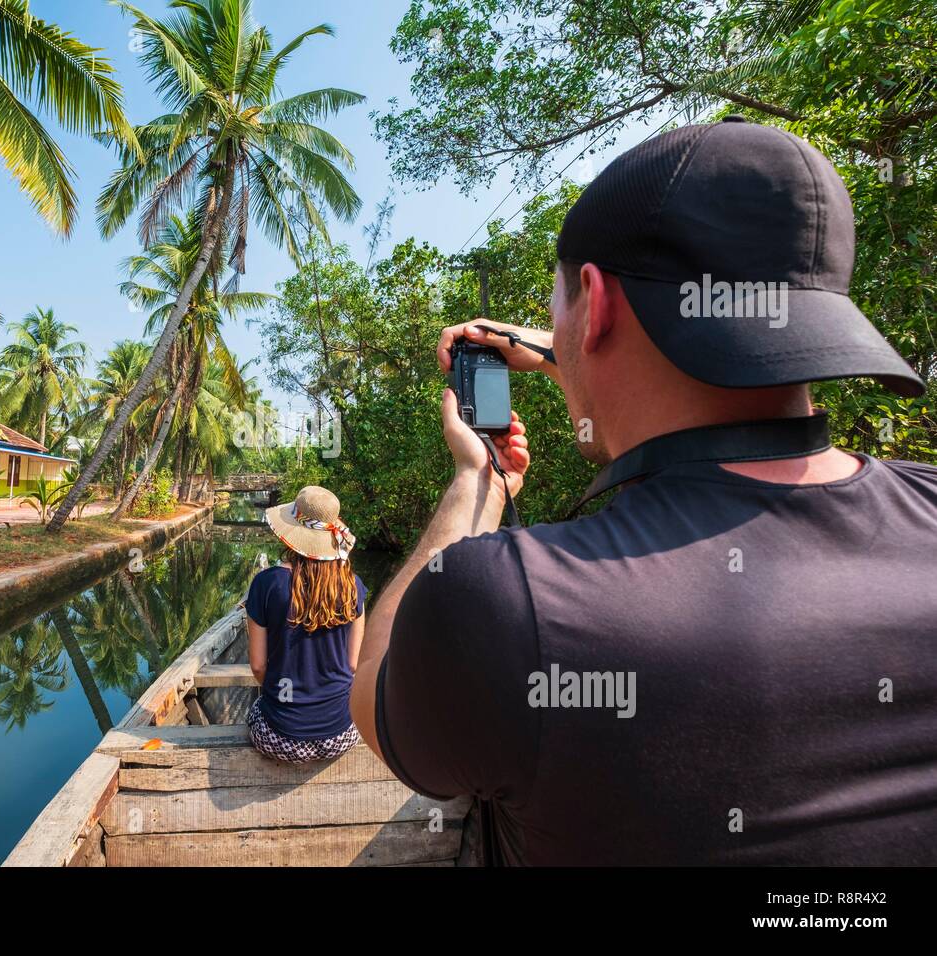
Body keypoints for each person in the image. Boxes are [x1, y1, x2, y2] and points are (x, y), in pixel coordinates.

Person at [350, 116, 937, 865]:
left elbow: (371, 682)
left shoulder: (503, 605)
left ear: (594, 303)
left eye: (560, 308)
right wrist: (569, 342)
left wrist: (477, 480)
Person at [245, 485, 366, 763]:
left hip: (281, 737)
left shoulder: (266, 584)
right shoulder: (354, 586)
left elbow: (259, 666)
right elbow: (352, 665)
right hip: (341, 734)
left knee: (255, 711)